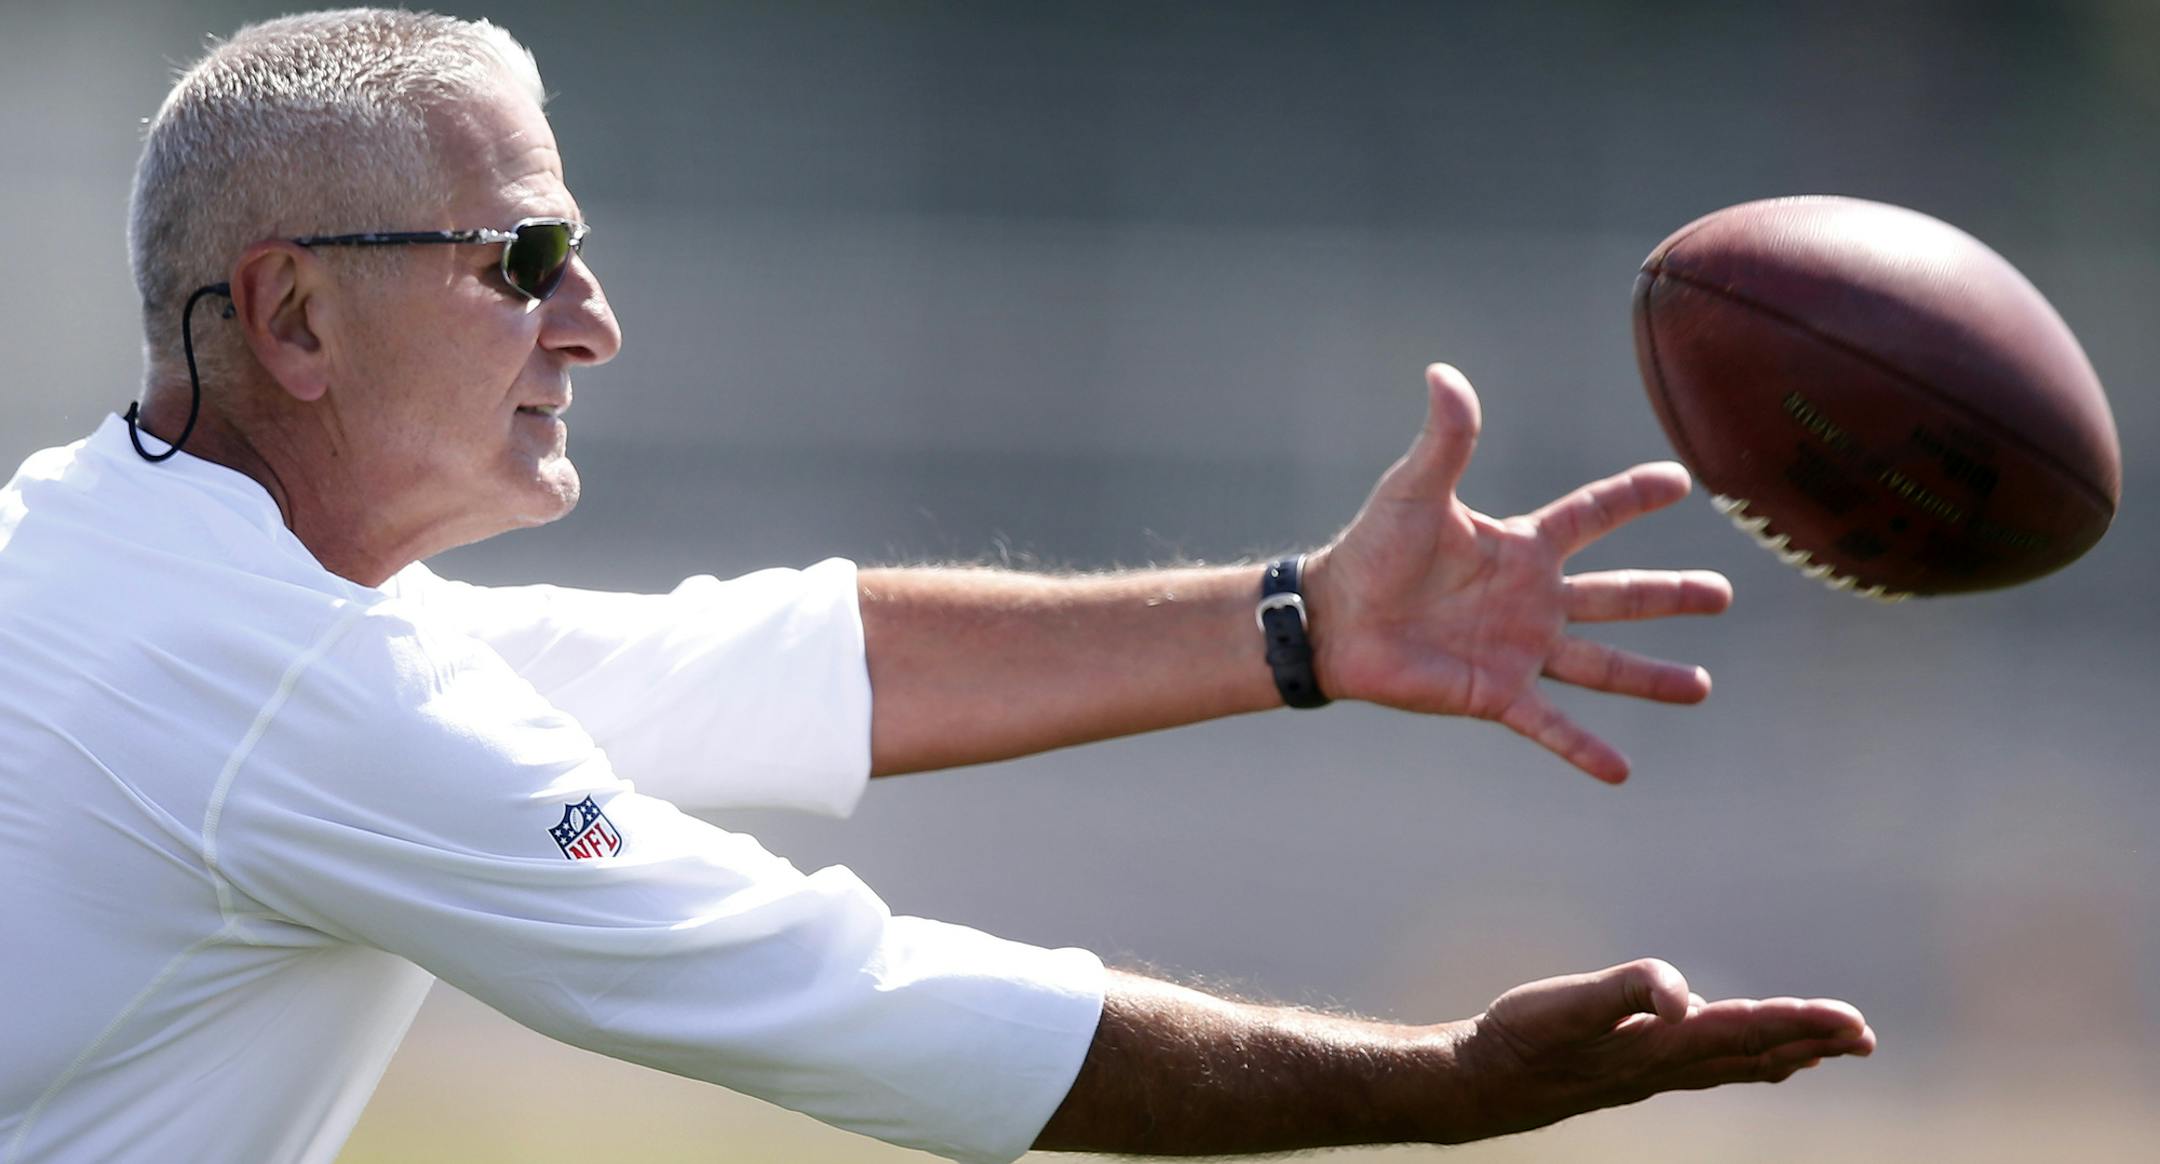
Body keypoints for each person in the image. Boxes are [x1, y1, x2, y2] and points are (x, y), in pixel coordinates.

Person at [0, 10, 1874, 1163]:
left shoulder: (132, 556)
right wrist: (1445, 1087)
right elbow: (858, 1005)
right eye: (521, 258)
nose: (592, 320)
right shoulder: (303, 693)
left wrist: (1303, 619)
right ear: (293, 317)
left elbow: (766, 663)